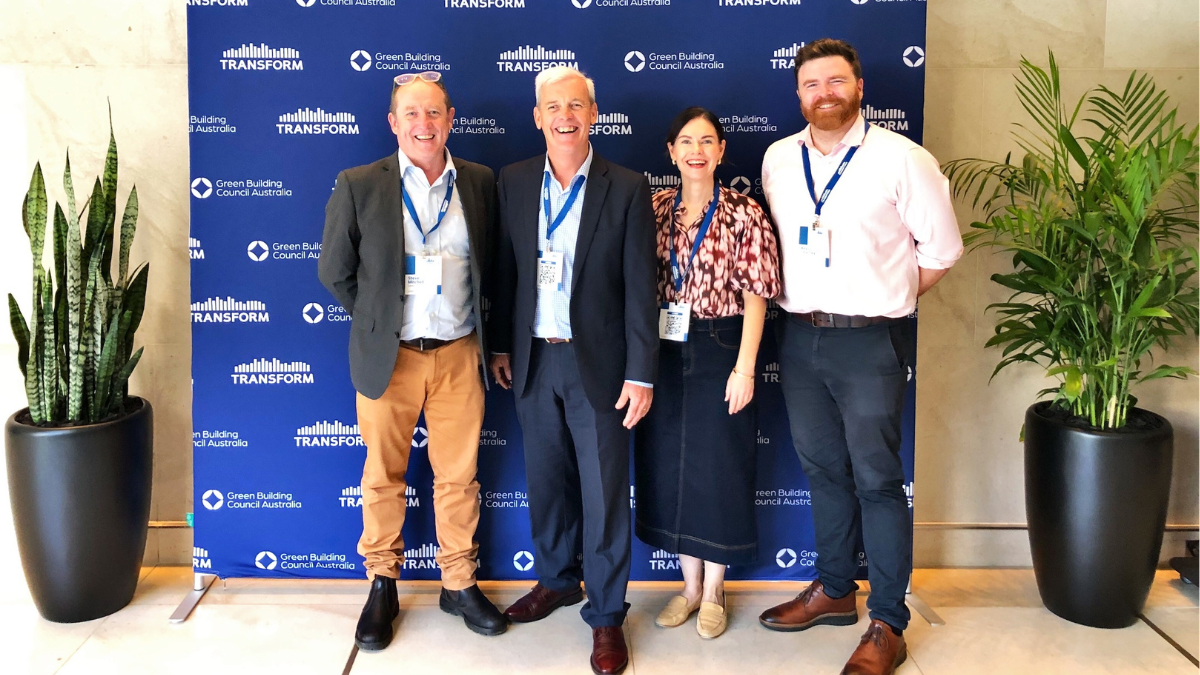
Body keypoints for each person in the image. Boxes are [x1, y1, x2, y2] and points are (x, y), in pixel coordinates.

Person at [757, 39, 962, 675]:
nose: (825, 93)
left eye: (836, 81)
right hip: (799, 337)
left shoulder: (904, 159)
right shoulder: (778, 158)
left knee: (877, 479)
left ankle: (888, 622)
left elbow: (943, 250)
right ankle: (835, 589)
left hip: (871, 340)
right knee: (823, 471)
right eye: (812, 84)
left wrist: (886, 296)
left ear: (859, 87)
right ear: (799, 94)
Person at [319, 71, 508, 651]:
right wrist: (377, 320)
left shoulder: (479, 181)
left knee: (459, 477)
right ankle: (382, 584)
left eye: (433, 113)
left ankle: (459, 583)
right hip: (391, 356)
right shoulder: (359, 183)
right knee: (382, 475)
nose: (423, 124)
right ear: (393, 123)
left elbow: (495, 266)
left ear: (450, 120)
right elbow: (334, 270)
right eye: (412, 114)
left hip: (459, 353)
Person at [487, 66, 658, 675]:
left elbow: (641, 289)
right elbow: (506, 272)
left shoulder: (627, 186)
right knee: (546, 482)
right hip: (534, 358)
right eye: (553, 106)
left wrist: (641, 372)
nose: (565, 116)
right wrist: (502, 347)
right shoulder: (514, 180)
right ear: (538, 117)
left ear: (594, 114)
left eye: (577, 105)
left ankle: (606, 614)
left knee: (605, 492)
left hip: (602, 367)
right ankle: (558, 580)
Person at [634, 107, 780, 640]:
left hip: (723, 345)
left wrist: (745, 368)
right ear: (670, 152)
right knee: (670, 467)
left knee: (719, 468)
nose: (696, 151)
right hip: (662, 348)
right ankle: (689, 587)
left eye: (707, 141)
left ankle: (716, 589)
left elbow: (758, 294)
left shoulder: (744, 211)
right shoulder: (653, 208)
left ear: (721, 151)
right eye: (686, 141)